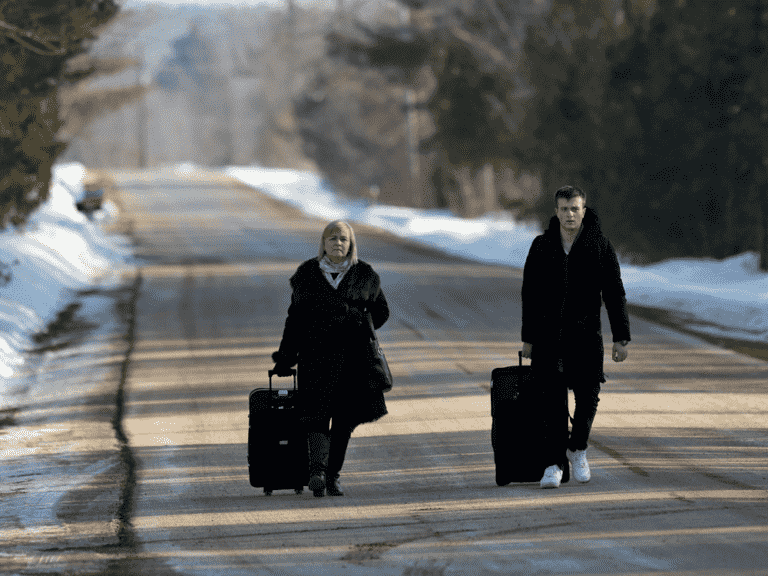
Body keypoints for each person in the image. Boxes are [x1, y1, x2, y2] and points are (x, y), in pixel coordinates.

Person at [521, 185, 630, 489]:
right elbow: (529, 294)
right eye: (564, 209)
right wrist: (528, 338)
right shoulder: (542, 246)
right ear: (556, 211)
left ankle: (577, 447)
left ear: (584, 210)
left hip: (585, 337)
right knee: (552, 402)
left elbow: (614, 293)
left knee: (589, 396)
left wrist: (621, 337)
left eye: (575, 208)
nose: (570, 214)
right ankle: (554, 464)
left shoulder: (599, 246)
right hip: (547, 337)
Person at [272, 220, 390, 497]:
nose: (338, 243)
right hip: (316, 358)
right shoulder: (307, 275)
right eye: (332, 238)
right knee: (316, 417)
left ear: (351, 245)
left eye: (344, 239)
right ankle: (316, 473)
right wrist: (286, 357)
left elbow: (381, 312)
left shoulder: (365, 276)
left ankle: (332, 475)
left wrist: (359, 321)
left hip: (353, 360)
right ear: (323, 244)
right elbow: (295, 321)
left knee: (344, 421)